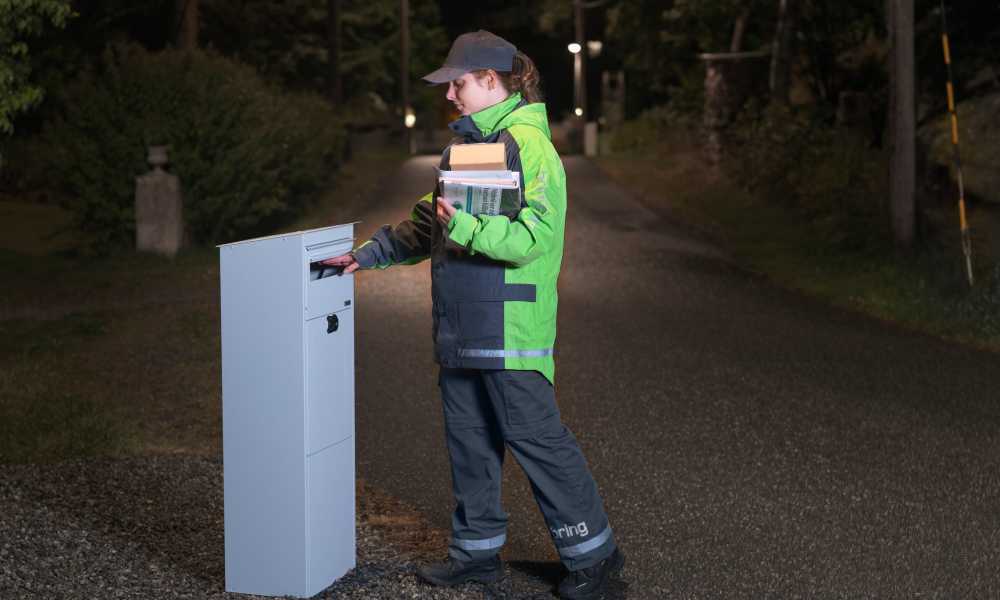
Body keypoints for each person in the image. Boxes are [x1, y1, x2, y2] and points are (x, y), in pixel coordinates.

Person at [322, 30, 624, 599]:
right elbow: (428, 222)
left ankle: (596, 557)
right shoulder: (466, 147)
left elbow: (535, 237)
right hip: (461, 331)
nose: (449, 95)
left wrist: (464, 225)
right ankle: (476, 555)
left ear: (490, 80)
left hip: (510, 332)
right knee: (470, 444)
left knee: (537, 441)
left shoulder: (530, 146)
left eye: (457, 83)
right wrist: (368, 255)